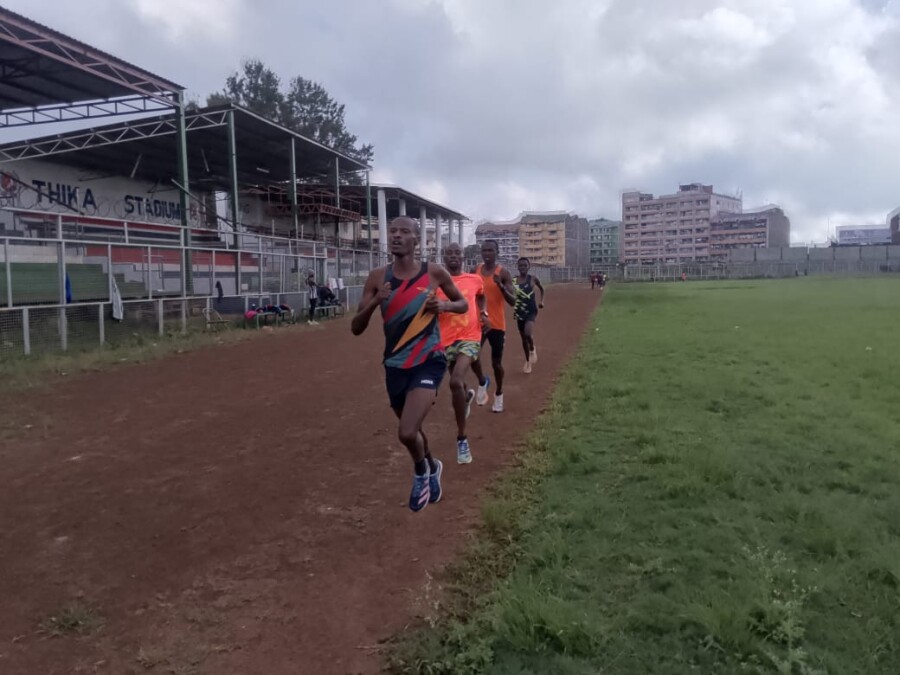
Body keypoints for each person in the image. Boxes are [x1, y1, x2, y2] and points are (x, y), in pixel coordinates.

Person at [351, 216, 468, 512]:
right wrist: (376, 301)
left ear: (417, 240)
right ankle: (432, 466)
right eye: (393, 231)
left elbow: (462, 304)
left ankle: (419, 473)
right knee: (412, 429)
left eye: (404, 232)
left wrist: (443, 305)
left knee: (406, 431)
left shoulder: (434, 272)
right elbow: (356, 327)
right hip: (394, 364)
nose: (397, 236)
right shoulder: (377, 277)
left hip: (428, 360)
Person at [437, 243, 487, 464]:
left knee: (455, 381)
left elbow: (481, 296)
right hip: (446, 340)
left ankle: (462, 439)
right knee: (459, 386)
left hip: (470, 337)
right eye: (449, 253)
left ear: (463, 256)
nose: (453, 256)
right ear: (443, 257)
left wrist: (483, 313)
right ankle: (466, 397)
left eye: (457, 253)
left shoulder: (474, 279)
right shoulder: (437, 283)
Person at [469, 239, 516, 413]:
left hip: (496, 324)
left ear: (497, 252)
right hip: (478, 322)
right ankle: (482, 381)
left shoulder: (503, 273)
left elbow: (513, 301)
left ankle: (499, 394)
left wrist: (501, 286)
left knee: (496, 363)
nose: (487, 253)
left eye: (490, 250)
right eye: (484, 250)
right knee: (472, 356)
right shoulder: (475, 271)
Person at [513, 257, 544, 374]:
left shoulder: (533, 279)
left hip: (531, 311)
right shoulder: (514, 280)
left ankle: (532, 348)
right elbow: (510, 293)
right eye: (520, 265)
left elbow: (542, 289)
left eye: (525, 265)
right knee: (523, 338)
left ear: (528, 267)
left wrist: (542, 301)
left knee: (528, 333)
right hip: (520, 311)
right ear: (517, 267)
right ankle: (527, 362)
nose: (522, 267)